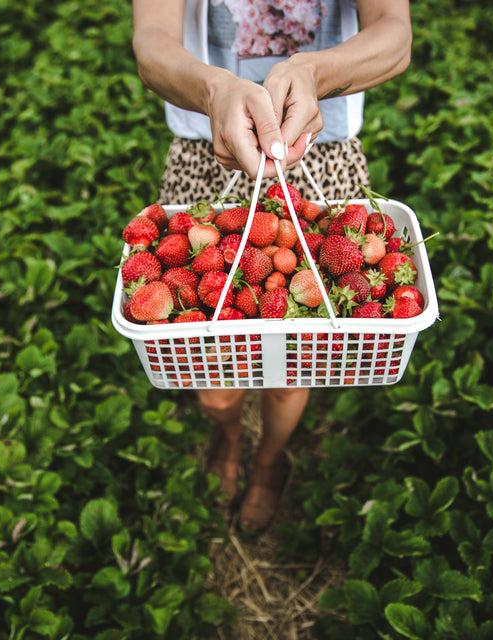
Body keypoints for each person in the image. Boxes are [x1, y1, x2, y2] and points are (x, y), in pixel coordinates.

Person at [131, 0, 412, 531]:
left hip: (321, 156)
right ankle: (230, 434)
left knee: (293, 364)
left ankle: (268, 459)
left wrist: (313, 70)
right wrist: (215, 89)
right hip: (209, 150)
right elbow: (151, 41)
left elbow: (395, 35)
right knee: (212, 373)